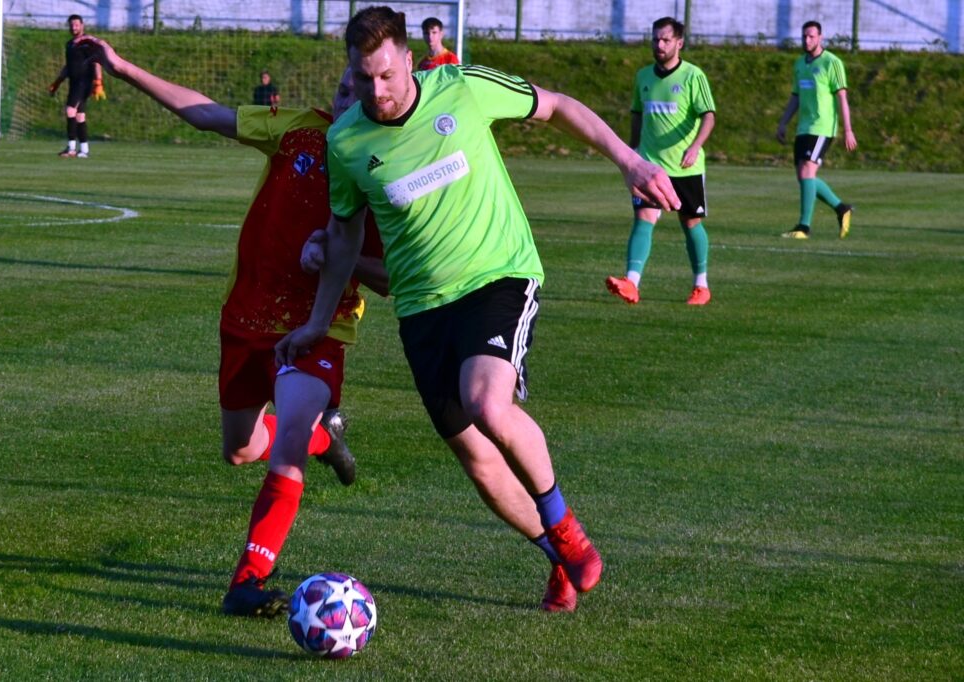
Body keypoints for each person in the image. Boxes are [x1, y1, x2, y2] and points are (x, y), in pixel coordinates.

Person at [277, 6, 679, 612]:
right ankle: (557, 555)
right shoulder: (347, 140)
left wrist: (630, 161)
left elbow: (557, 106)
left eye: (386, 75)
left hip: (498, 276)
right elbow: (345, 237)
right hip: (421, 310)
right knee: (478, 460)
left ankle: (565, 525)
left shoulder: (461, 87)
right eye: (363, 78)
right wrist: (317, 321)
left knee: (487, 402)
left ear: (409, 60)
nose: (376, 91)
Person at [79, 36, 389, 618]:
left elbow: (394, 277)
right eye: (344, 87)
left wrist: (341, 259)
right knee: (241, 449)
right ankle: (326, 438)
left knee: (287, 442)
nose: (349, 97)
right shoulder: (297, 128)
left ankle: (247, 582)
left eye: (361, 90)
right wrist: (122, 69)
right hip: (246, 318)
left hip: (320, 328)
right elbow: (208, 114)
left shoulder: (385, 164)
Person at [606, 17, 716, 306]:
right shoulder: (643, 76)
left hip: (685, 167)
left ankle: (701, 286)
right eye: (655, 39)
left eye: (666, 40)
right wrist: (633, 152)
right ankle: (631, 283)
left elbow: (709, 116)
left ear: (679, 43)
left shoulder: (693, 76)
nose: (659, 45)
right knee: (644, 218)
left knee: (690, 222)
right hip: (650, 165)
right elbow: (637, 114)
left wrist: (695, 147)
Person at [776, 20, 857, 239]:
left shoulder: (832, 62)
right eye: (804, 36)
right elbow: (796, 96)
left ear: (820, 37)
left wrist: (848, 130)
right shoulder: (799, 64)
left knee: (807, 172)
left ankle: (803, 227)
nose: (807, 40)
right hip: (804, 127)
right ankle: (842, 208)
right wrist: (783, 122)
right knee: (804, 177)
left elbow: (842, 98)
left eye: (811, 36)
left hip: (822, 126)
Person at [48, 14, 104, 159]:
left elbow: (96, 62)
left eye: (77, 25)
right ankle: (84, 150)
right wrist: (57, 82)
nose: (74, 28)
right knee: (79, 116)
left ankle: (71, 148)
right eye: (72, 25)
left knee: (70, 111)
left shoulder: (87, 43)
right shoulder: (69, 44)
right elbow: (68, 66)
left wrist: (98, 82)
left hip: (84, 82)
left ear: (82, 26)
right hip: (74, 83)